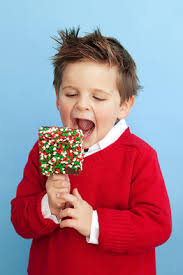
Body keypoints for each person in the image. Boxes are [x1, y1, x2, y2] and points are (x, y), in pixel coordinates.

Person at [11, 27, 172, 275]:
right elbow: (20, 221)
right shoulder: (44, 150)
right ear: (57, 97)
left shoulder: (139, 156)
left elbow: (158, 225)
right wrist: (47, 206)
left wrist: (95, 223)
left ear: (124, 105)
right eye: (71, 94)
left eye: (98, 97)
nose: (82, 104)